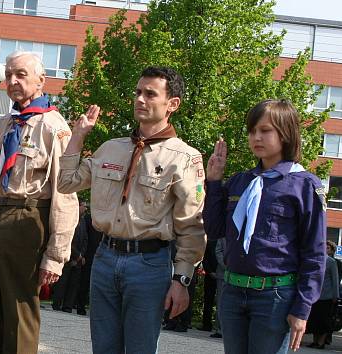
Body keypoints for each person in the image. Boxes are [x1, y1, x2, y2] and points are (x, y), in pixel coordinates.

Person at [58, 66, 207, 353]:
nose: (140, 99)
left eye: (150, 94)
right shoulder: (110, 149)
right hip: (104, 258)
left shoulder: (185, 158)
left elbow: (191, 225)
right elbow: (66, 183)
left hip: (149, 264)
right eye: (138, 92)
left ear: (172, 104)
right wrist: (77, 138)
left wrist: (182, 280)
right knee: (103, 348)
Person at [0, 51, 79, 354]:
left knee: (19, 313)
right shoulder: (0, 126)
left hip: (27, 220)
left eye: (21, 74)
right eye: (9, 74)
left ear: (41, 80)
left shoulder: (54, 127)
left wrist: (55, 255)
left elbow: (65, 195)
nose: (12, 80)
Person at [204, 99, 327, 353]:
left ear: (286, 133)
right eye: (252, 131)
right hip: (233, 292)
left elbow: (314, 253)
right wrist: (214, 182)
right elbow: (215, 230)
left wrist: (302, 308)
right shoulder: (241, 182)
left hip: (274, 297)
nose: (256, 137)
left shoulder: (304, 186)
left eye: (265, 130)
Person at [52, 201, 88, 313]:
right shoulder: (71, 218)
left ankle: (68, 306)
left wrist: (81, 255)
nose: (86, 209)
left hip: (78, 260)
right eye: (84, 206)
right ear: (78, 206)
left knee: (74, 284)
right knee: (62, 282)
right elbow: (68, 238)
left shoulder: (82, 221)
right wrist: (76, 255)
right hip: (68, 256)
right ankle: (57, 304)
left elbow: (86, 239)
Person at [306, 241, 339, 349]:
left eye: (328, 247)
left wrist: (335, 295)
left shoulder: (331, 262)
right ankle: (315, 341)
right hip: (315, 295)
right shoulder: (315, 259)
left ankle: (321, 342)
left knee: (324, 320)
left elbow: (335, 279)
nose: (325, 248)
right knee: (314, 319)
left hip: (327, 296)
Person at [75, 208, 102, 316]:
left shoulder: (108, 219)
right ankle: (80, 305)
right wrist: (83, 254)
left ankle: (94, 308)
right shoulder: (88, 218)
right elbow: (85, 237)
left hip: (101, 255)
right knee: (84, 282)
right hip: (89, 255)